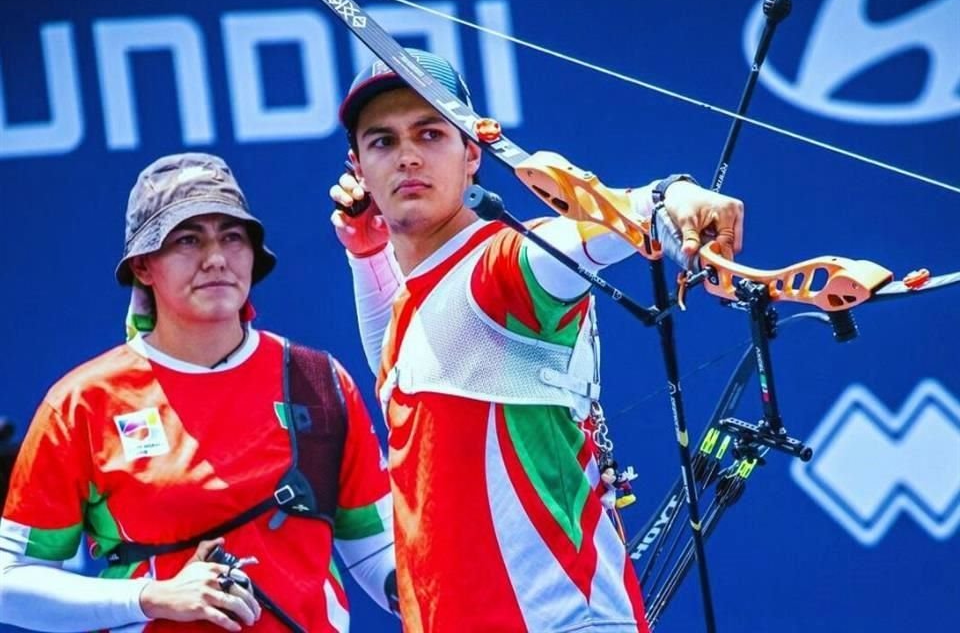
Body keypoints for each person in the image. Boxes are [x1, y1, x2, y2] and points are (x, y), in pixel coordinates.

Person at [327, 49, 744, 633]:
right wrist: (366, 255)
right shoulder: (415, 305)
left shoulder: (503, 267)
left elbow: (590, 234)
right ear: (358, 168)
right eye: (383, 142)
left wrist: (667, 198)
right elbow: (395, 374)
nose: (409, 157)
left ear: (473, 152)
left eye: (430, 133)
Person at [0, 153, 397, 632]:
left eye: (232, 237)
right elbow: (11, 585)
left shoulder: (317, 382)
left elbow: (377, 550)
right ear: (144, 266)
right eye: (187, 240)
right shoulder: (83, 404)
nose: (216, 258)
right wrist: (149, 597)